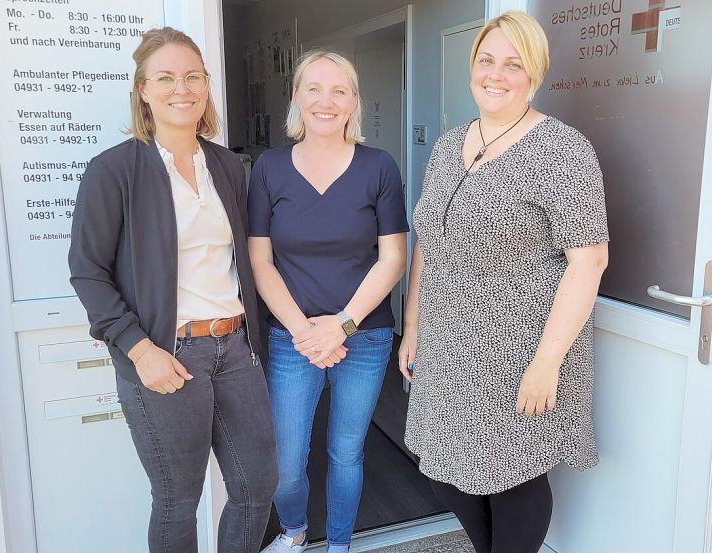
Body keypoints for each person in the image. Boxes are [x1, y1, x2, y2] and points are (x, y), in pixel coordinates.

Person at [399, 11, 610, 553]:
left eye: (513, 64)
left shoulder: (562, 151)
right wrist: (413, 326)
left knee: (513, 475)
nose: (497, 74)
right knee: (444, 465)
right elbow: (429, 236)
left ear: (534, 74)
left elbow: (589, 261)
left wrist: (548, 362)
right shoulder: (449, 147)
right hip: (449, 342)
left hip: (519, 346)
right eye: (487, 60)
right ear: (472, 68)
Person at [68, 27, 277, 553]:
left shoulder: (226, 165)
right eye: (165, 78)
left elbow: (243, 260)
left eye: (192, 76)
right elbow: (88, 271)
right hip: (168, 354)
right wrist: (140, 350)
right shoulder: (114, 170)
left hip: (236, 349)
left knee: (257, 489)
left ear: (206, 85)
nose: (181, 88)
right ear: (142, 89)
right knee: (177, 499)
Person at [248, 50, 408, 553]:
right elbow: (260, 262)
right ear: (296, 96)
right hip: (292, 338)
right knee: (288, 461)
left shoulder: (379, 167)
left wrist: (340, 325)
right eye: (313, 89)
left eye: (339, 90)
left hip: (363, 335)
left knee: (345, 452)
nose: (326, 101)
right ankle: (294, 533)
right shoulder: (269, 170)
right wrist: (305, 332)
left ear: (354, 101)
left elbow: (393, 258)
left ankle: (338, 545)